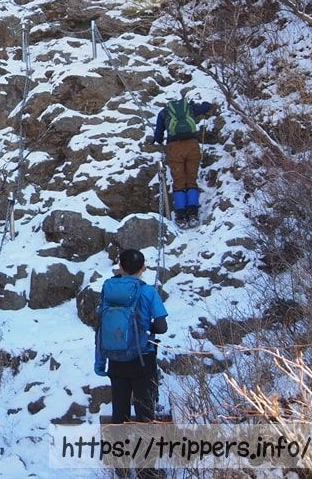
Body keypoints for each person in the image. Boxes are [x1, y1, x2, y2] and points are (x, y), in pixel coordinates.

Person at [94, 249, 168, 424]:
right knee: (145, 410)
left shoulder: (108, 289)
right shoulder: (148, 292)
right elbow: (161, 326)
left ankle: (118, 448)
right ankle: (146, 450)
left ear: (120, 266)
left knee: (119, 412)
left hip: (115, 357)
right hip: (142, 358)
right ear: (143, 267)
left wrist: (100, 361)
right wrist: (144, 327)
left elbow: (102, 326)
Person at [153, 94, 215, 227]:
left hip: (174, 148)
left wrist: (158, 140)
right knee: (191, 180)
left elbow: (158, 135)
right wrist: (206, 103)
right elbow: (206, 107)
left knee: (179, 181)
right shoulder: (190, 108)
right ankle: (193, 213)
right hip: (192, 145)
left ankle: (181, 215)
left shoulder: (164, 113)